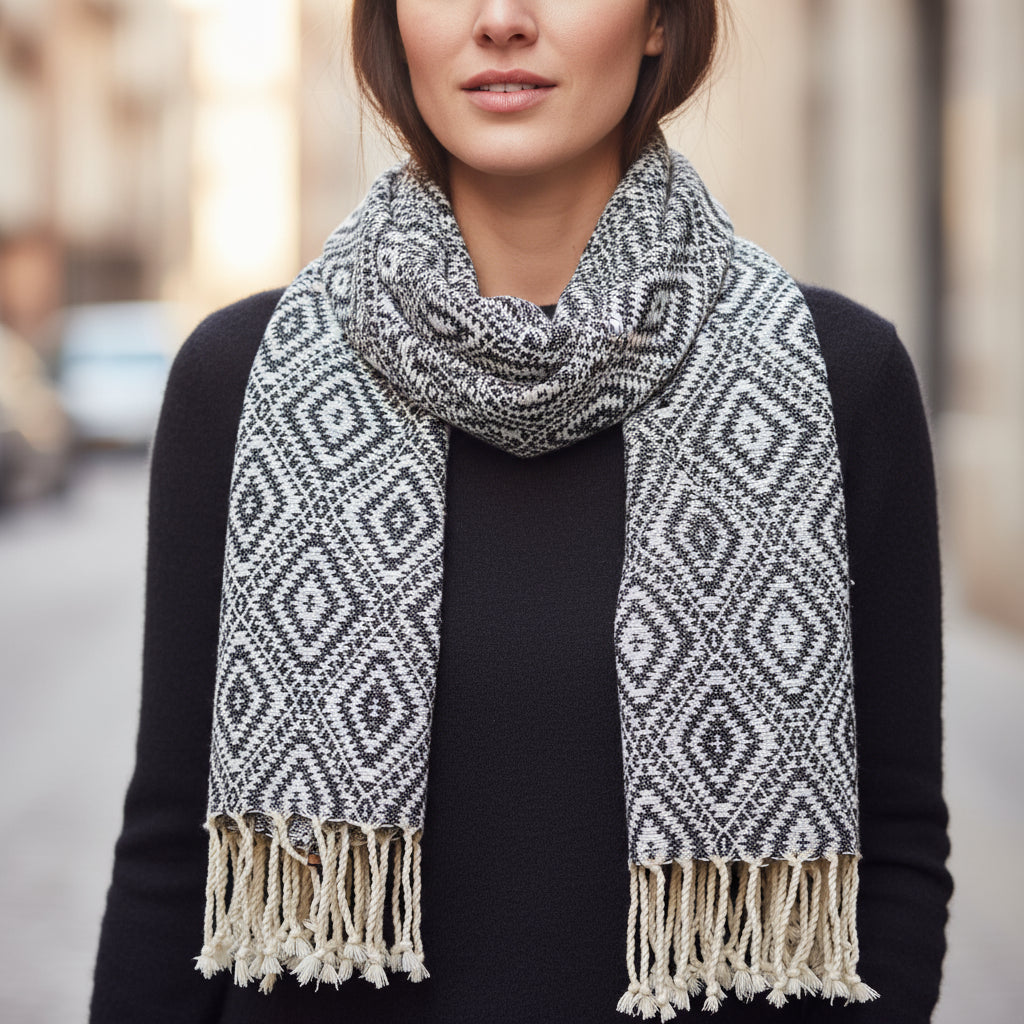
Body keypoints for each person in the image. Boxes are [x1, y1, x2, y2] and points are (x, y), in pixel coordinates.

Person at [90, 2, 951, 1022]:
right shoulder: (245, 379)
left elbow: (893, 847)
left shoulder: (831, 377)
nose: (500, 20)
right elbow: (173, 850)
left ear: (658, 22)